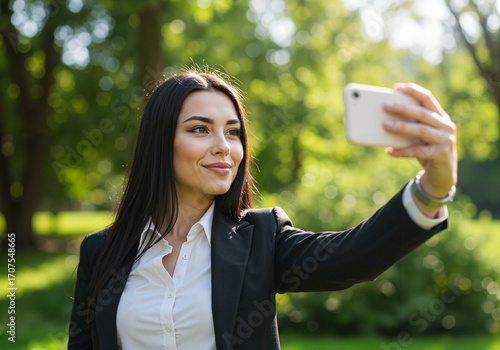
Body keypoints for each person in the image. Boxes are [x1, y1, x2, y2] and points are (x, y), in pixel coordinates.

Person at [68, 70, 457, 350]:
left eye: (233, 131)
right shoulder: (101, 251)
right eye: (200, 129)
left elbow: (353, 256)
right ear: (160, 142)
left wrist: (432, 190)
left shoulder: (261, 237)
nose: (224, 146)